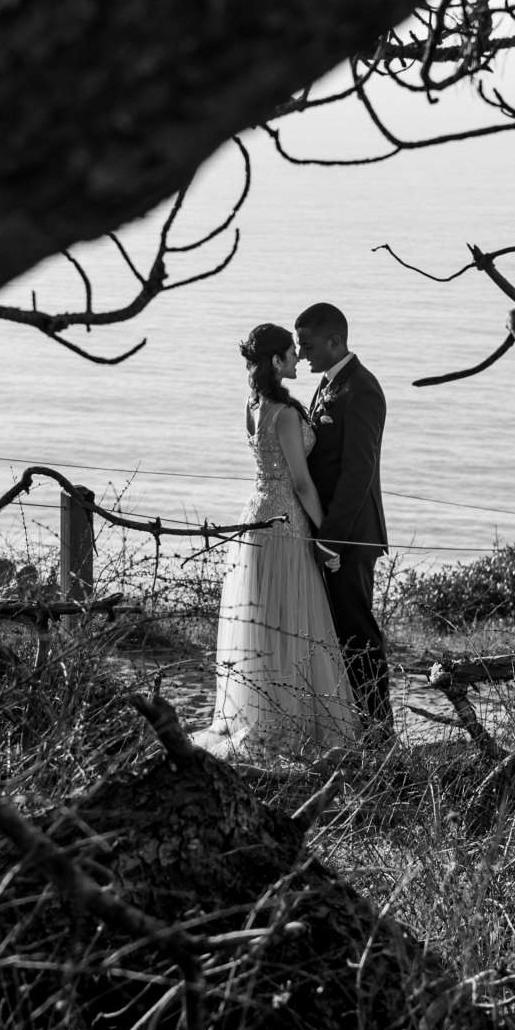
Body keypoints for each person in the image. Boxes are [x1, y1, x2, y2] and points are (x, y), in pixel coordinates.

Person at [190, 322, 363, 761]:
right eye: (290, 353)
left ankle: (261, 711)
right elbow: (303, 484)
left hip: (256, 514)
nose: (297, 358)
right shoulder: (285, 414)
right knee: (293, 615)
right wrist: (329, 535)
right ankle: (289, 721)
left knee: (266, 620)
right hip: (285, 518)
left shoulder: (252, 405)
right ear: (275, 361)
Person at [295, 301, 394, 744]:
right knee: (338, 633)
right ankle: (355, 724)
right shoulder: (327, 385)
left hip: (351, 537)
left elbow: (359, 472)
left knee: (359, 634)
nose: (302, 354)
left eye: (308, 345)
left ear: (335, 340)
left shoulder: (363, 389)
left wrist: (331, 539)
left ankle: (380, 730)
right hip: (331, 532)